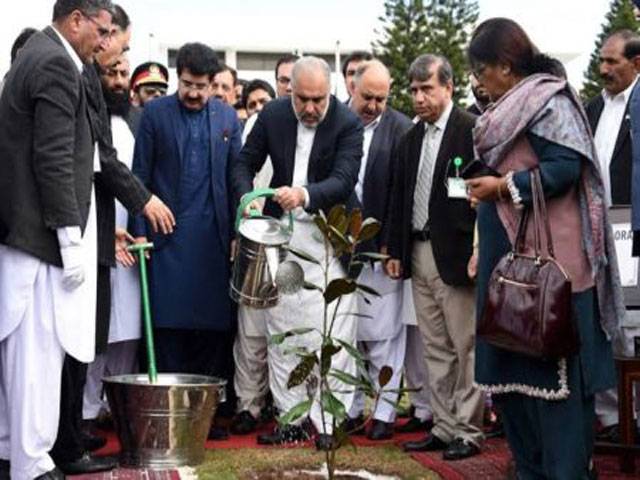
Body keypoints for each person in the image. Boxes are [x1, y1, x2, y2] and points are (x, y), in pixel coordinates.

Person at [466, 17, 623, 478]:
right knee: (515, 399)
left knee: (560, 406)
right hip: (509, 278)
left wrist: (502, 187)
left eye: (482, 69)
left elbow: (565, 168)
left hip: (552, 280)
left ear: (507, 66)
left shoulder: (547, 103)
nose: (477, 79)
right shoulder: (505, 109)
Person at [0, 1, 113, 478]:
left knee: (23, 353)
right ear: (76, 20)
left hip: (26, 234)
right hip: (40, 237)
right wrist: (70, 239)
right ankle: (29, 462)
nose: (104, 41)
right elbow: (53, 160)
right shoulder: (54, 62)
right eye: (101, 30)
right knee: (37, 355)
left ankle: (12, 452)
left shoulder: (38, 56)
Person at [231, 56, 363, 451]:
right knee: (281, 327)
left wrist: (304, 195)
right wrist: (247, 198)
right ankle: (290, 419)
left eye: (318, 100)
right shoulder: (272, 115)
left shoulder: (347, 122)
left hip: (330, 234)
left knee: (333, 332)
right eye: (302, 99)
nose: (309, 108)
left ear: (331, 93)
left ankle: (328, 422)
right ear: (289, 93)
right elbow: (243, 162)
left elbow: (344, 179)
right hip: (281, 235)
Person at [131, 43, 241, 430]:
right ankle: (165, 418)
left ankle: (206, 418)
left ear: (215, 84)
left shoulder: (228, 118)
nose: (194, 93)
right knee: (167, 328)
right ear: (178, 78)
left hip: (212, 243)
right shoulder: (155, 114)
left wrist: (236, 234)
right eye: (188, 84)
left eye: (203, 86)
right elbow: (139, 177)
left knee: (212, 331)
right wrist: (139, 234)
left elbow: (234, 179)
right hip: (165, 242)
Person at [386, 53, 484, 460]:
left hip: (458, 254)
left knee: (466, 346)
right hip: (419, 250)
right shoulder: (410, 139)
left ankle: (469, 429)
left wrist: (481, 247)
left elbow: (483, 195)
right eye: (413, 90)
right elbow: (399, 197)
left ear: (448, 87)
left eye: (427, 88)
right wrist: (395, 250)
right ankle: (443, 426)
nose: (419, 97)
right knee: (435, 348)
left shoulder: (471, 130)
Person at [342, 60, 412, 441]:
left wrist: (393, 245)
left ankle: (384, 411)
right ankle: (350, 408)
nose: (372, 105)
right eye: (367, 97)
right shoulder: (333, 122)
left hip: (382, 250)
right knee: (345, 331)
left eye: (381, 99)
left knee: (384, 334)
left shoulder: (401, 129)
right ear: (352, 87)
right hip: (339, 249)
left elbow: (403, 195)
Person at [82, 53, 142, 429]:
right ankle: (86, 412)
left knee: (130, 329)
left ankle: (120, 410)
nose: (119, 81)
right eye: (111, 73)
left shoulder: (139, 121)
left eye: (123, 74)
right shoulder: (87, 119)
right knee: (95, 331)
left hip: (134, 237)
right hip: (98, 238)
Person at [585, 30, 639, 442]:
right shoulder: (591, 109)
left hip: (630, 228)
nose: (603, 69)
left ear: (636, 63)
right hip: (596, 230)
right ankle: (612, 417)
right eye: (601, 60)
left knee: (636, 324)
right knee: (604, 321)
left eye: (612, 62)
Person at [230, 78, 277, 436]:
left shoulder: (289, 132)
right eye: (254, 102)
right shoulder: (245, 135)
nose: (261, 108)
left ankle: (282, 403)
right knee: (251, 332)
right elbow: (237, 180)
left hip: (287, 242)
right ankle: (248, 404)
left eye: (267, 102)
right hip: (251, 243)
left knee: (283, 330)